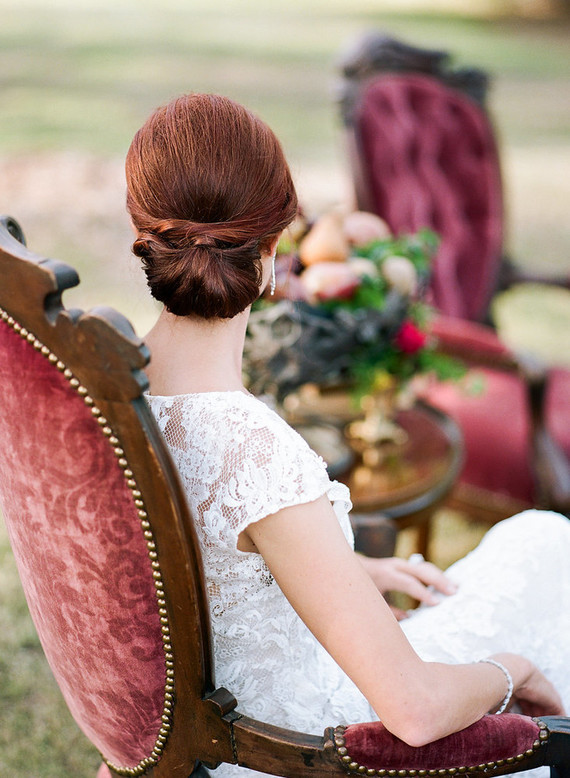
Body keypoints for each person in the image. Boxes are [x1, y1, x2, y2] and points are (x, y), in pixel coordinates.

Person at [126, 93, 570, 778]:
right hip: (316, 746)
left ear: (142, 230)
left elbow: (194, 564)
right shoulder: (252, 447)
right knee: (548, 547)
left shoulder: (116, 388)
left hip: (232, 717)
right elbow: (415, 711)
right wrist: (511, 672)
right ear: (275, 250)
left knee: (540, 547)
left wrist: (350, 574)